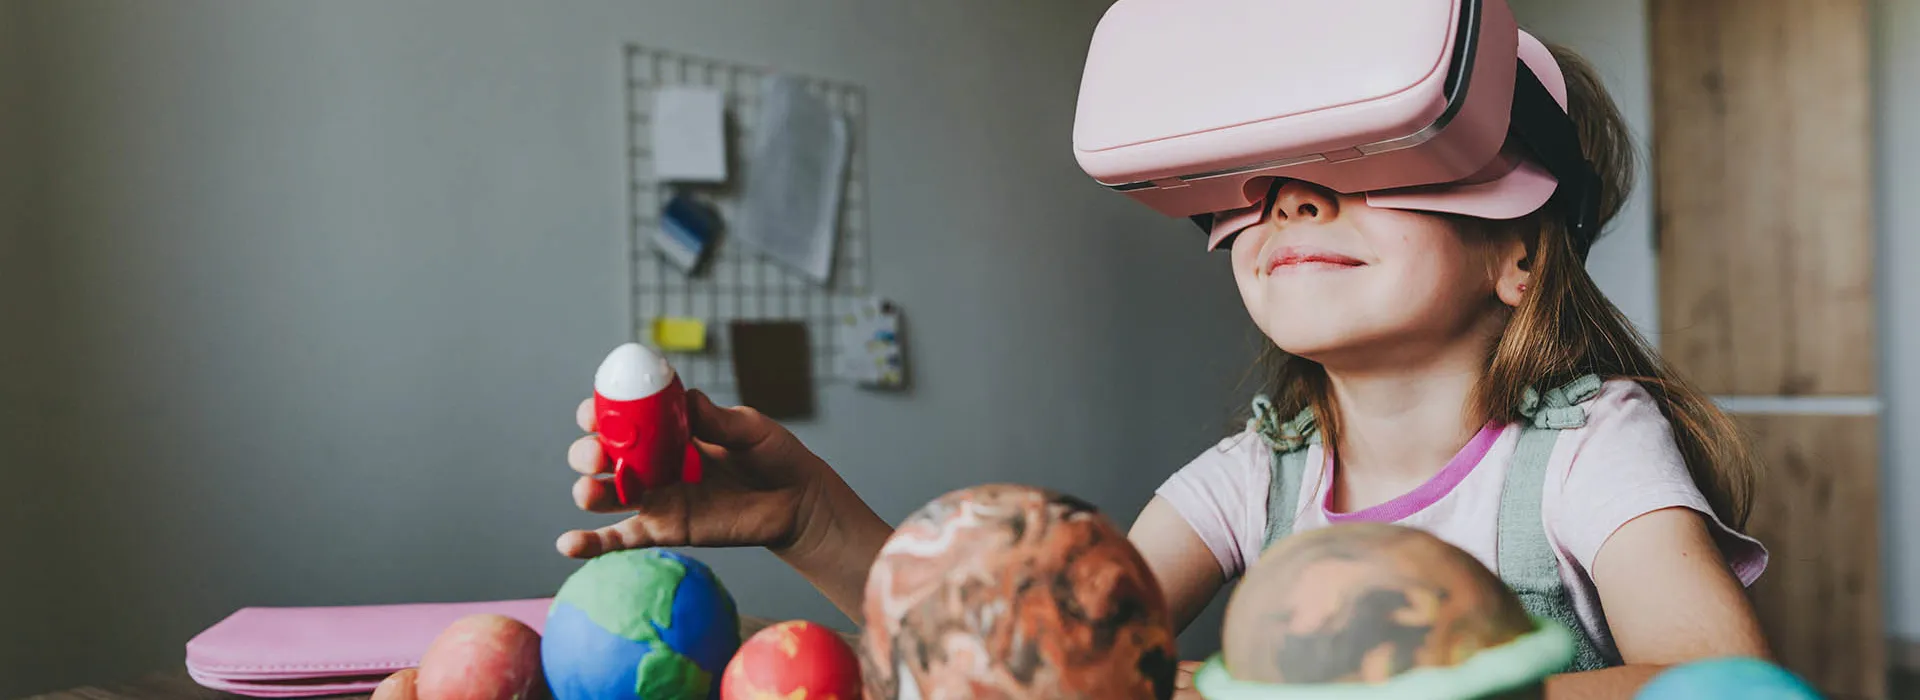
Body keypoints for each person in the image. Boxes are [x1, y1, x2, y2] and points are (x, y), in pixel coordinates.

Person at [554, 40, 1771, 698]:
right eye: (1270, 180)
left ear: (1516, 250)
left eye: (1360, 156)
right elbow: (1041, 647)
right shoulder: (1259, 473)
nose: (1290, 196)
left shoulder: (1592, 448)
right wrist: (808, 512)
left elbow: (1727, 686)